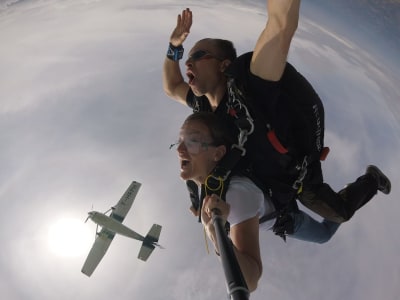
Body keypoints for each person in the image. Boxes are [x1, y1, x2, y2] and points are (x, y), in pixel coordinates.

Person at [163, 2, 391, 229]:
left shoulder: (251, 83)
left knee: (340, 213)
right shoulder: (203, 108)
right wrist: (175, 46)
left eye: (199, 55)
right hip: (267, 180)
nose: (188, 62)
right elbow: (172, 86)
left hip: (297, 173)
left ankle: (372, 179)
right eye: (188, 58)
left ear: (224, 65)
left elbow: (280, 25)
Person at [173, 112, 342, 292]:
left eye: (192, 142)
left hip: (285, 217)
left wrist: (214, 231)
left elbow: (250, 280)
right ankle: (339, 205)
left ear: (218, 153)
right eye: (180, 141)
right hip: (278, 211)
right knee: (323, 234)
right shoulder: (211, 179)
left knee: (324, 234)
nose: (179, 150)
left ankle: (347, 199)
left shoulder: (235, 197)